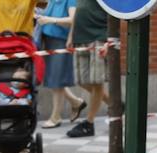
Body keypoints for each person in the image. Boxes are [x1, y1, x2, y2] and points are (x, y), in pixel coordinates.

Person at [36, 0, 87, 128]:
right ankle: (76, 102)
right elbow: (49, 13)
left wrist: (50, 20)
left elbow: (72, 19)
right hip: (48, 39)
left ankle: (56, 117)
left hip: (60, 41)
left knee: (57, 80)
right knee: (53, 78)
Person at [66, 0, 109, 138]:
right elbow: (78, 11)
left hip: (99, 37)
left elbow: (117, 13)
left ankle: (89, 123)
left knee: (97, 82)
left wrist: (110, 42)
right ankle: (115, 104)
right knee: (82, 80)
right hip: (80, 38)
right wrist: (71, 36)